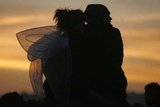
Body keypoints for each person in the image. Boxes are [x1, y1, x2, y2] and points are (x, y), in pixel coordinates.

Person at [16, 9, 85, 107]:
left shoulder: (60, 42)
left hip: (57, 88)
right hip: (60, 89)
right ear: (74, 25)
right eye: (82, 23)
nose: (84, 26)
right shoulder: (63, 44)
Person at [83, 4, 129, 107]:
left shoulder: (113, 33)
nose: (110, 18)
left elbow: (117, 60)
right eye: (106, 15)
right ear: (97, 18)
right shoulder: (84, 34)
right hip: (96, 86)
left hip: (112, 85)